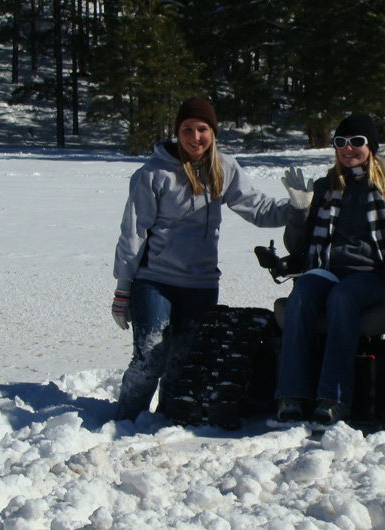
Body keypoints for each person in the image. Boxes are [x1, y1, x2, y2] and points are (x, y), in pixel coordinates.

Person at [111, 96, 311, 422]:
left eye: (202, 129)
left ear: (213, 132)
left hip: (201, 283)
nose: (195, 137)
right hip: (155, 280)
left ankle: (166, 421)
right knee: (150, 357)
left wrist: (297, 208)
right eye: (187, 129)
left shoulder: (224, 168)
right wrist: (123, 290)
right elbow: (133, 233)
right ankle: (124, 420)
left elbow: (258, 209)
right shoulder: (152, 174)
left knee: (183, 360)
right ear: (177, 132)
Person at [274, 114, 385, 426]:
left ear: (371, 147)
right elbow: (296, 246)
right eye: (340, 142)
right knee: (302, 292)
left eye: (356, 142)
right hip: (328, 269)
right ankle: (292, 393)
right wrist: (300, 210)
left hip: (376, 275)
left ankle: (334, 398)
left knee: (343, 296)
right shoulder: (326, 187)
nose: (347, 148)